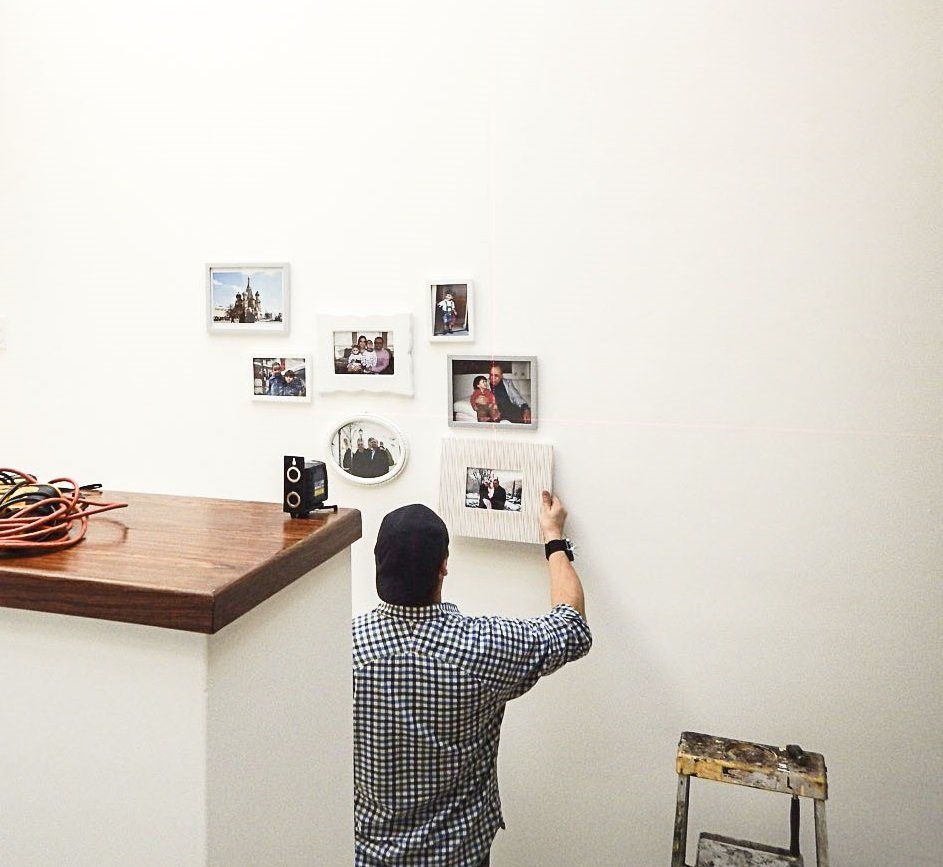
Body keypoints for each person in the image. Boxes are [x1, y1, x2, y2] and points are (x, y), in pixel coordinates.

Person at [353, 493, 590, 865]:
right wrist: (553, 537)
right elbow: (572, 629)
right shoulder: (482, 648)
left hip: (368, 854)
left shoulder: (344, 649)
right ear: (443, 566)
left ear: (378, 563)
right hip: (459, 854)